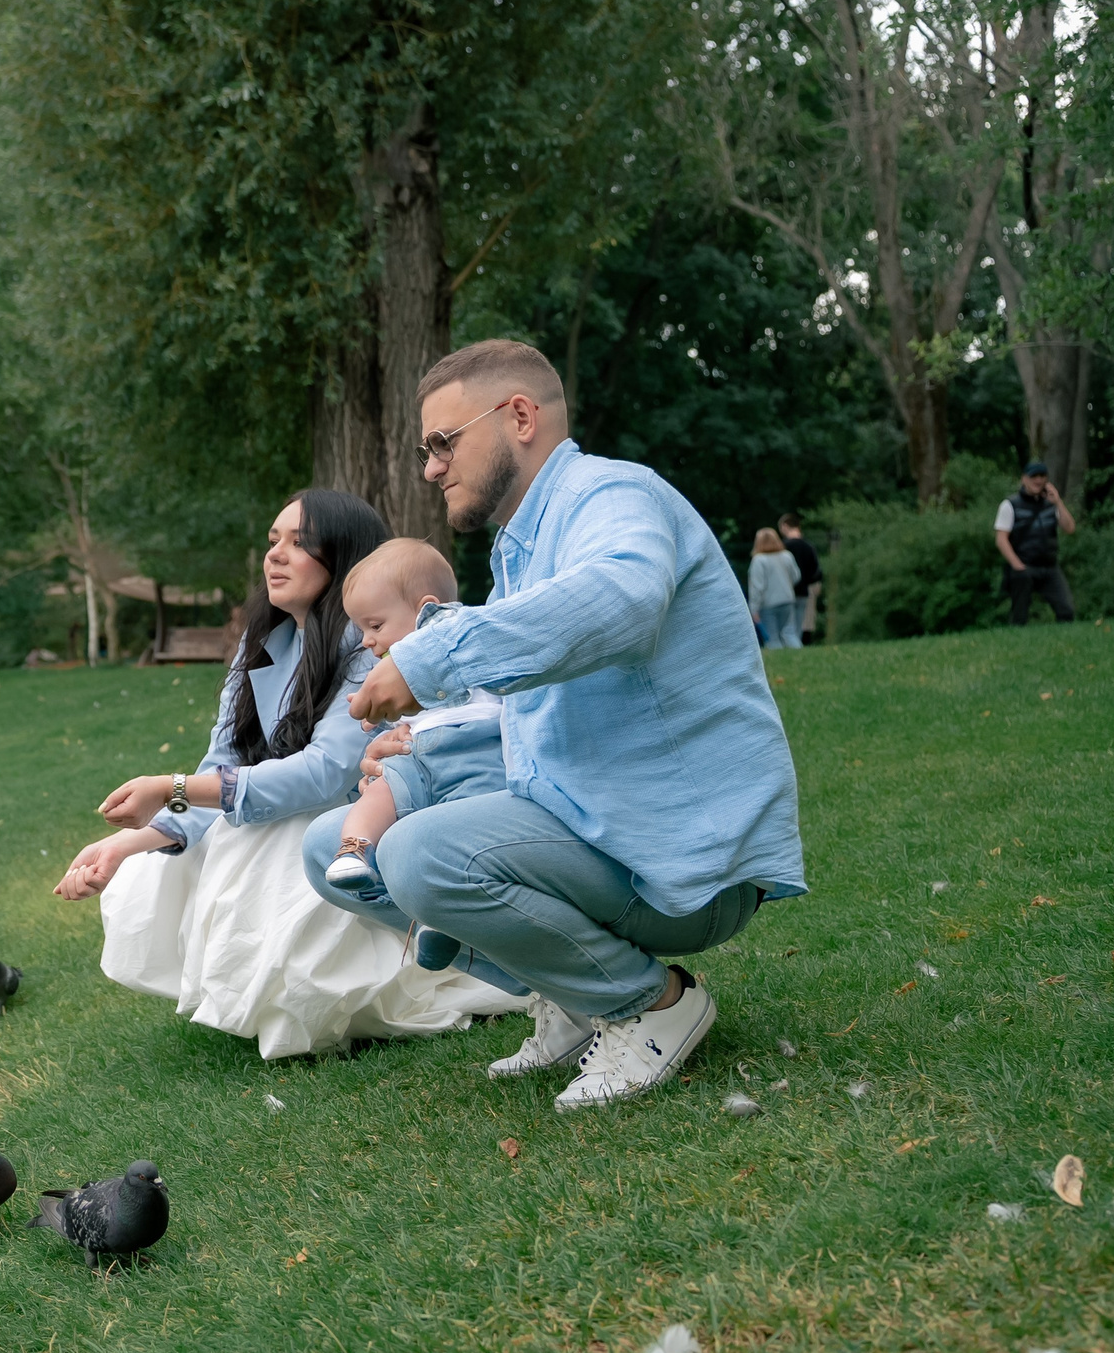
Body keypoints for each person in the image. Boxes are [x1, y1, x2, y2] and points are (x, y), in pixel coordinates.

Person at [346, 338, 804, 1110]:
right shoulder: (521, 547)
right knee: (341, 849)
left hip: (679, 863)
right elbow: (538, 721)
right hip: (598, 833)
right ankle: (573, 995)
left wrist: (430, 656)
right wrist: (419, 744)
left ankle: (652, 1003)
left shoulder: (610, 495)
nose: (431, 466)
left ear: (519, 415)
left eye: (442, 442)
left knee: (419, 853)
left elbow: (621, 600)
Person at [54, 490, 526, 1058]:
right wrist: (132, 840)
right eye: (272, 541)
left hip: (374, 814)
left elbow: (326, 773)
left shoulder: (374, 644)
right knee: (159, 864)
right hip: (290, 809)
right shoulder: (264, 642)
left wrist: (172, 789)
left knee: (253, 840)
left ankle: (362, 986)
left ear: (343, 557)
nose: (275, 555)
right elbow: (222, 765)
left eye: (298, 543)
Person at [318, 540, 503, 915]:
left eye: (375, 625)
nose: (367, 640)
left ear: (426, 610)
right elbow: (384, 714)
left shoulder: (449, 628)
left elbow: (447, 639)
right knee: (381, 792)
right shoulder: (389, 663)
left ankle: (449, 911)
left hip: (474, 752)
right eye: (361, 628)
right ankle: (355, 849)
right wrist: (373, 717)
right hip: (415, 757)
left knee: (465, 824)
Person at [994, 462, 1076, 625]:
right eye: (1033, 477)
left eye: (1042, 476)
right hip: (1024, 566)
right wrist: (1017, 565)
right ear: (1024, 479)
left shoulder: (1051, 504)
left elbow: (1070, 528)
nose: (1038, 480)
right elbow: (1001, 539)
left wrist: (1058, 502)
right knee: (1020, 616)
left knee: (1066, 611)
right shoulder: (1010, 505)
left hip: (1049, 566)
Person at [745, 527, 800, 649]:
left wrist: (754, 609)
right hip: (787, 600)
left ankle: (779, 663)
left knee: (772, 636)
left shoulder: (758, 560)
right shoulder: (787, 556)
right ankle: (801, 656)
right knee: (789, 632)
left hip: (768, 604)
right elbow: (796, 576)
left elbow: (757, 587)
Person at [778, 513, 822, 644]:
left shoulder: (783, 547)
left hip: (786, 591)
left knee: (787, 627)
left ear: (785, 526)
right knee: (801, 625)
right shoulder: (809, 547)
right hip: (804, 590)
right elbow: (816, 571)